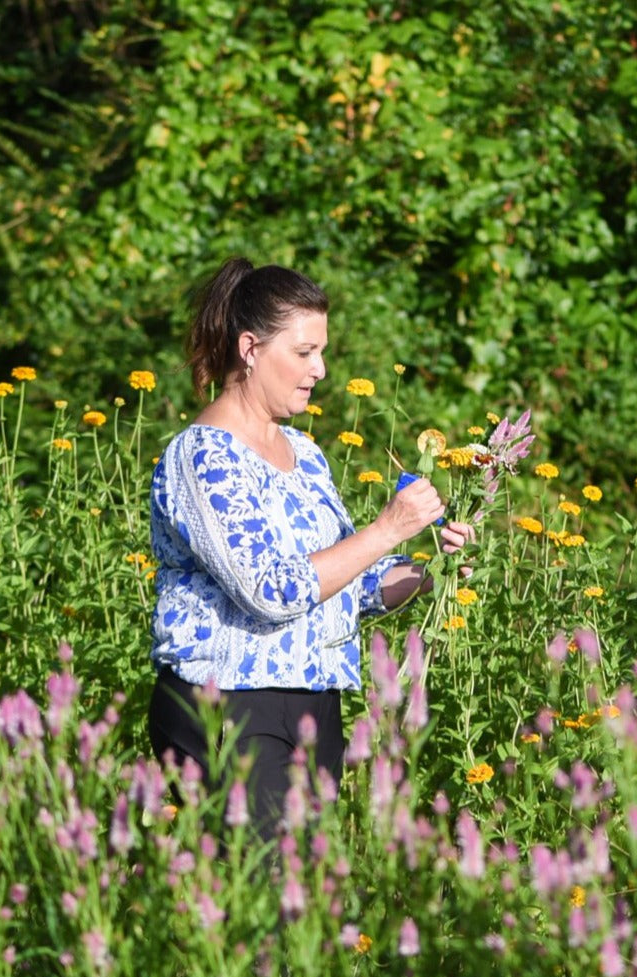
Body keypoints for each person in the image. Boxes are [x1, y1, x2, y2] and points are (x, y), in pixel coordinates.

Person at [147, 257, 473, 838]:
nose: (319, 369)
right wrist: (387, 528)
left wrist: (434, 571)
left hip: (312, 702)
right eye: (303, 353)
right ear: (250, 348)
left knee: (305, 906)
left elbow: (353, 583)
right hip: (231, 706)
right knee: (258, 902)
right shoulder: (205, 457)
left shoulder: (306, 455)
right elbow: (271, 590)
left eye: (321, 352)